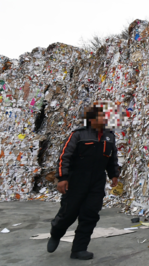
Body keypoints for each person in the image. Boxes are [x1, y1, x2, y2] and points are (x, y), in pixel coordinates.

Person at [46, 104, 120, 260]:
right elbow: (64, 156)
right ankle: (56, 233)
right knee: (68, 213)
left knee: (90, 215)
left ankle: (79, 249)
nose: (105, 118)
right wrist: (62, 178)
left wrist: (114, 175)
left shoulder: (110, 136)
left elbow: (112, 159)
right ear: (92, 120)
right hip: (76, 180)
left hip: (97, 182)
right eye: (101, 116)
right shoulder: (78, 135)